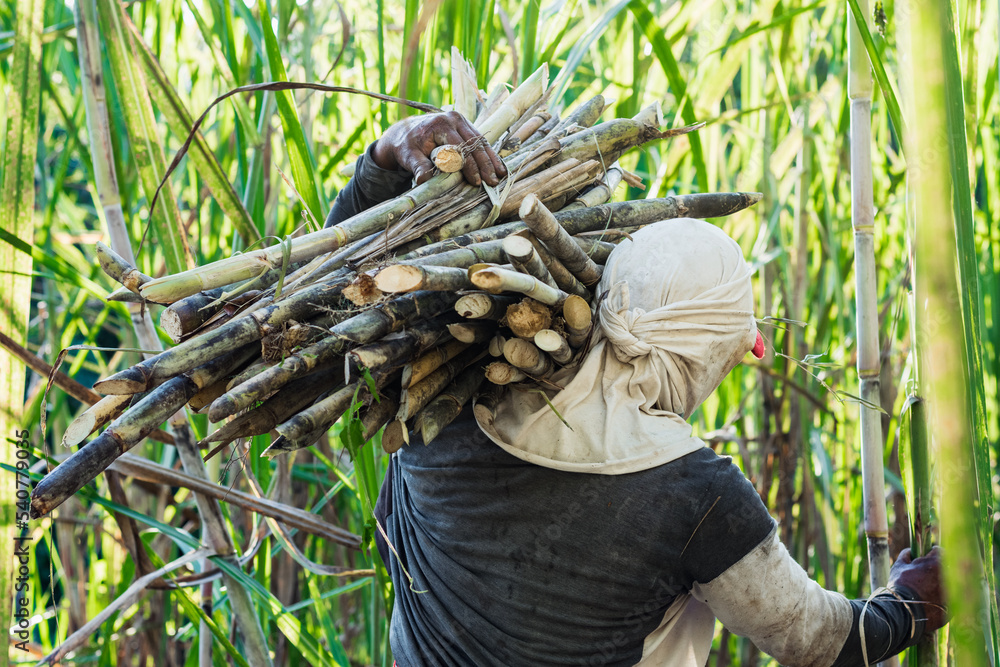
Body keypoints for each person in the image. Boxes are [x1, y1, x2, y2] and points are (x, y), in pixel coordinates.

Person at [327, 112, 946, 666]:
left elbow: (345, 307)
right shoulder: (696, 497)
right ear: (705, 354)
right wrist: (916, 599)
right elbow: (822, 641)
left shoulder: (443, 392)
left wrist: (384, 158)